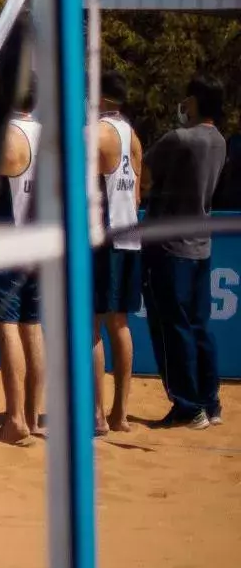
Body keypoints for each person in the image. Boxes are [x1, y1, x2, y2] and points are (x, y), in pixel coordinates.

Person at [142, 74, 227, 429]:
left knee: (172, 327)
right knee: (198, 325)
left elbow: (144, 175)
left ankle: (187, 404)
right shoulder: (220, 141)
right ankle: (210, 401)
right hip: (200, 243)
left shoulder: (179, 139)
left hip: (170, 244)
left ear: (194, 102)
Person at [0, 82, 42, 445]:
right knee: (32, 328)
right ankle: (31, 414)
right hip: (38, 241)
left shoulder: (5, 138)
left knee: (7, 330)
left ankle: (16, 419)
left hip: (7, 242)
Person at [92, 70, 141, 434]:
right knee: (120, 323)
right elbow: (138, 194)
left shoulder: (97, 133)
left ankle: (97, 415)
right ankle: (120, 414)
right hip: (130, 235)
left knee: (92, 325)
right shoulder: (133, 137)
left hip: (103, 238)